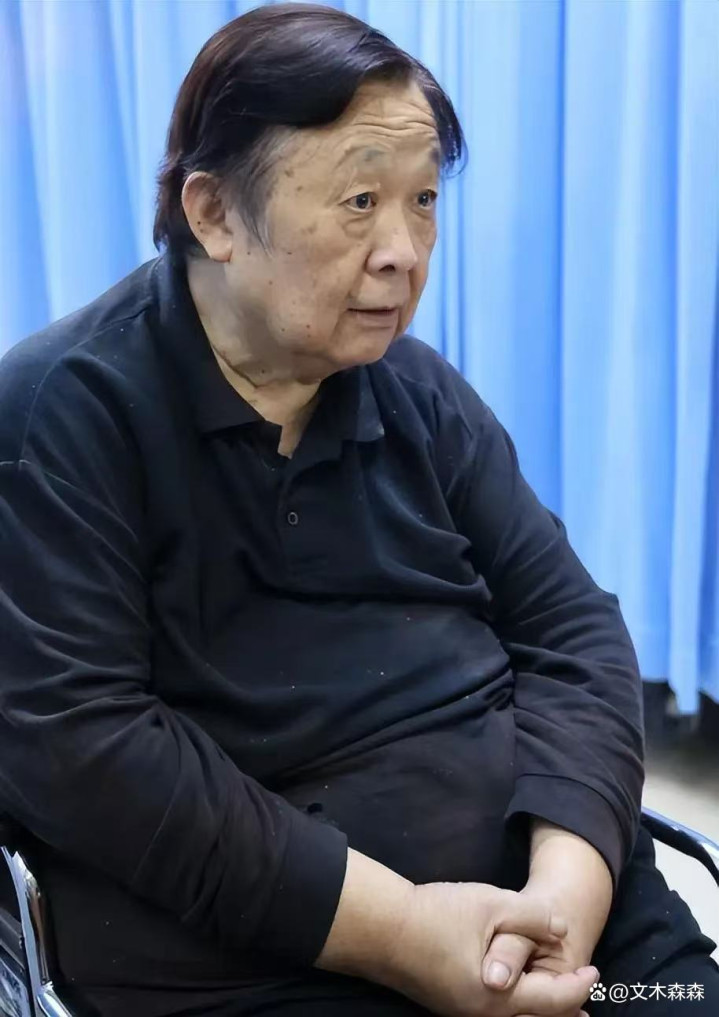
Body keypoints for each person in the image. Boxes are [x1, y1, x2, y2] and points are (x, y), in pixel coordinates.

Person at [0, 4, 716, 1016]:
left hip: (551, 918)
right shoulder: (61, 416)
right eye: (359, 201)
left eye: (422, 200)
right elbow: (90, 753)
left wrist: (566, 891)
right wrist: (406, 936)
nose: (402, 251)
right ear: (214, 214)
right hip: (260, 960)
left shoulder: (414, 389)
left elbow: (573, 631)